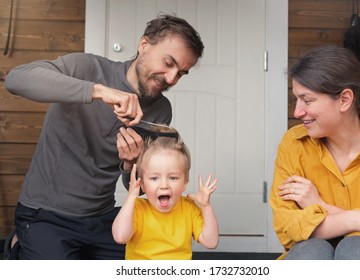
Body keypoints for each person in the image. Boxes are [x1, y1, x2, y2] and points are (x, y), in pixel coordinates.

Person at [3, 14, 204, 260]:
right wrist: (98, 91)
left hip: (101, 217)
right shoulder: (86, 68)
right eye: (168, 63)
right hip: (46, 214)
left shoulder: (161, 110)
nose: (171, 79)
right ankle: (19, 244)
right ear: (144, 45)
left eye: (181, 73)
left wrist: (129, 163)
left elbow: (139, 185)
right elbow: (16, 79)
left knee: (152, 261)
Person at [270, 45, 360, 260]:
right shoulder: (293, 144)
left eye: (307, 100)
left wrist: (319, 206)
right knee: (310, 251)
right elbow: (287, 228)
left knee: (358, 250)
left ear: (344, 99)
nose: (297, 112)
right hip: (309, 254)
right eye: (297, 99)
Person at [112, 136, 219, 260]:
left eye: (173, 178)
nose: (164, 185)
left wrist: (206, 207)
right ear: (142, 185)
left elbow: (211, 242)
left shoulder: (189, 208)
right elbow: (120, 237)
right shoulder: (137, 208)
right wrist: (131, 198)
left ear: (185, 183)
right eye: (154, 178)